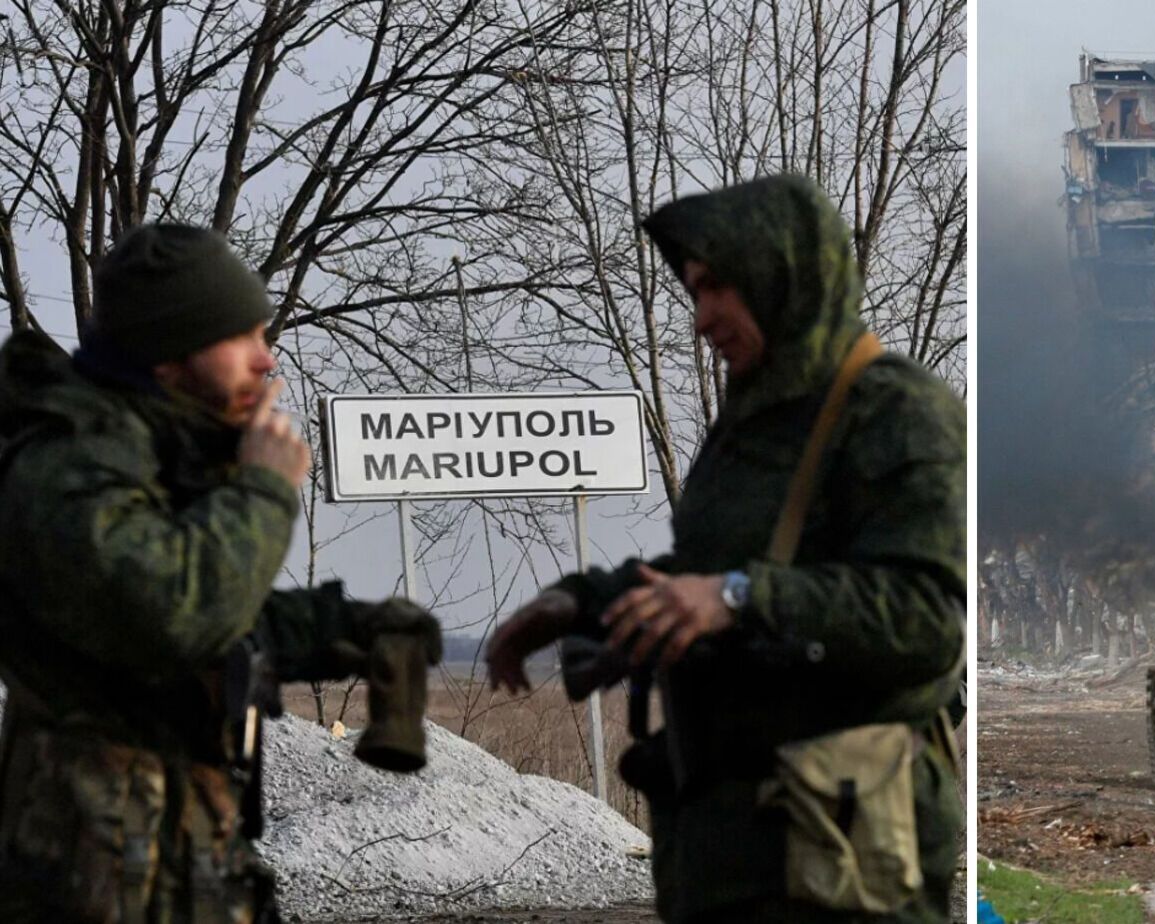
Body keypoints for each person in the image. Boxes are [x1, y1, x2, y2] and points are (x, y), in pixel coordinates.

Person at [485, 175, 965, 924]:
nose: (703, 318)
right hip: (725, 849)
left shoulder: (897, 412)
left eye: (719, 289)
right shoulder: (754, 421)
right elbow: (705, 572)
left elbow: (926, 620)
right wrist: (583, 602)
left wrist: (740, 599)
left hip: (841, 859)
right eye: (694, 291)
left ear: (781, 278)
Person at [0, 223, 443, 922]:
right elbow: (173, 615)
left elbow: (212, 626)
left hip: (177, 862)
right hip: (93, 876)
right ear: (169, 354)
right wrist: (264, 492)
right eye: (242, 338)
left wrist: (341, 628)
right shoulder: (68, 465)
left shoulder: (150, 455)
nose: (267, 362)